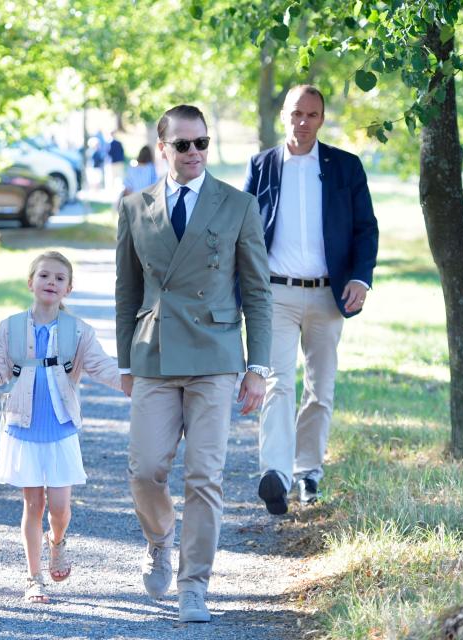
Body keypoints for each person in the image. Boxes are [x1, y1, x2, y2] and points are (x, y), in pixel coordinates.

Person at [116, 105, 272, 623]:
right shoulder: (135, 207)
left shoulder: (237, 205)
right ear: (163, 148)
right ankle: (159, 540)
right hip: (155, 353)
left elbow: (256, 290)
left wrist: (259, 367)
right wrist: (124, 361)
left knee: (205, 476)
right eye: (182, 145)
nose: (194, 153)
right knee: (146, 470)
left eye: (201, 143)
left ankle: (193, 586)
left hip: (215, 352)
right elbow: (126, 291)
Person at [243, 85, 378, 515]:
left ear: (322, 119)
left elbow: (366, 229)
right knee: (277, 383)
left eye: (312, 115)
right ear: (284, 114)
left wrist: (360, 278)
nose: (302, 122)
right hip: (275, 294)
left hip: (328, 293)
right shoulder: (261, 165)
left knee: (320, 388)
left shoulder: (345, 167)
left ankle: (308, 472)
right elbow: (243, 233)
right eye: (296, 113)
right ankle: (276, 476)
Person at [0, 251, 122, 604]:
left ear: (68, 289)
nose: (51, 282)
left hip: (61, 428)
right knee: (33, 504)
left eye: (59, 278)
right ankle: (34, 578)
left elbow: (103, 368)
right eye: (44, 276)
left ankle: (58, 539)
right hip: (23, 427)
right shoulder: (12, 327)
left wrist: (136, 382)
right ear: (30, 282)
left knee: (60, 508)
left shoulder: (78, 331)